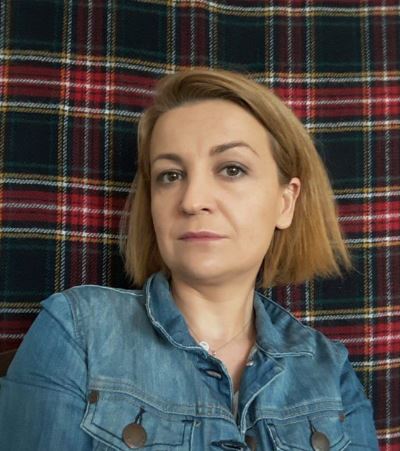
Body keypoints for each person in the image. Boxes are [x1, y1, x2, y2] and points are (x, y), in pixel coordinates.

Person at [0, 67, 379, 450]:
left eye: (231, 169)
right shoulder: (78, 330)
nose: (192, 200)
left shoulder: (329, 370)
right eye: (170, 175)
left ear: (285, 202)